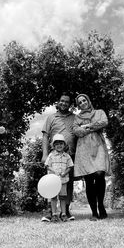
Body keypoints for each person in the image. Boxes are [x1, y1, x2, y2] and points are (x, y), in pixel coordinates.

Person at [73, 94, 110, 221]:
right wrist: (93, 127)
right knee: (89, 179)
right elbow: (76, 131)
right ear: (78, 105)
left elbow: (104, 122)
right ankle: (94, 212)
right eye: (80, 102)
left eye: (84, 100)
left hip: (98, 146)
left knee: (100, 174)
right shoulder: (77, 117)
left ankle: (101, 205)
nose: (83, 103)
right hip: (83, 149)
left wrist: (86, 126)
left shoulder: (99, 112)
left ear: (88, 101)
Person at [41, 93, 77, 222]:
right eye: (62, 101)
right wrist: (45, 154)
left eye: (67, 102)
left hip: (69, 156)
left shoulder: (75, 117)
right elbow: (45, 136)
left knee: (68, 184)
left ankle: (65, 210)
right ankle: (51, 211)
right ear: (58, 102)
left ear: (70, 104)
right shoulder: (51, 117)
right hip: (54, 157)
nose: (64, 103)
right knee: (50, 184)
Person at [44, 134, 74, 222]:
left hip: (63, 180)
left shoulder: (67, 156)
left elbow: (70, 166)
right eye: (57, 144)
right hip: (53, 181)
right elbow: (47, 165)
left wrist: (65, 172)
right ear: (53, 146)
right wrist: (53, 171)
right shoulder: (51, 155)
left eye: (61, 143)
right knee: (53, 197)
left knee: (63, 197)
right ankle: (54, 214)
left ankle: (63, 214)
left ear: (64, 145)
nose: (59, 145)